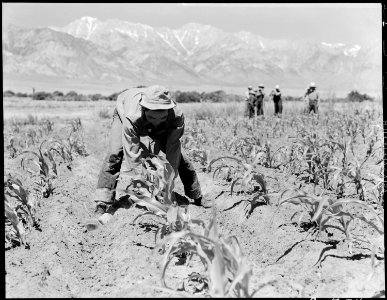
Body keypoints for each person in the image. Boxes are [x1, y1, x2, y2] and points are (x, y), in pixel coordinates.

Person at [93, 85, 212, 214]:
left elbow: (173, 148)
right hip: (124, 111)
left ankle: (196, 195)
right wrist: (143, 184)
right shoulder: (132, 115)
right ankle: (102, 202)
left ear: (168, 110)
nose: (156, 122)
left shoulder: (176, 116)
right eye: (153, 118)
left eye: (161, 117)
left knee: (181, 157)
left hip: (162, 124)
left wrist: (168, 181)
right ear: (144, 109)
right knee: (114, 153)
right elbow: (132, 153)